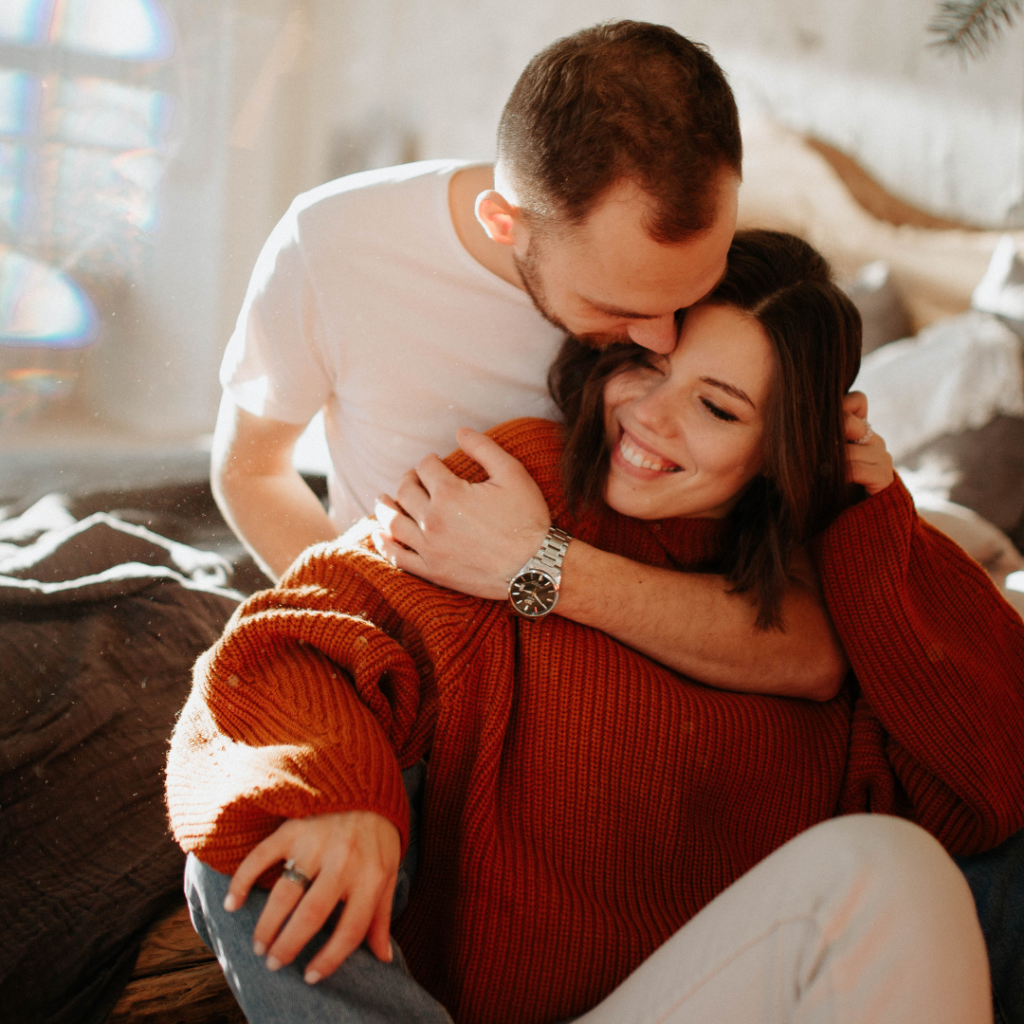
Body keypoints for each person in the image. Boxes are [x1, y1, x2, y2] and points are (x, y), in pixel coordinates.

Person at [168, 231, 1024, 1024]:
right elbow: (290, 640)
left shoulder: (824, 580)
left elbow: (989, 786)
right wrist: (341, 794)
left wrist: (875, 521)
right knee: (253, 847)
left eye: (718, 409)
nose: (651, 417)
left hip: (727, 989)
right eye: (648, 367)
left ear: (784, 449)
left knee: (894, 870)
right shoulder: (521, 481)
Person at [210, 20, 851, 701]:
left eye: (691, 291)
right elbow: (250, 469)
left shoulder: (708, 272)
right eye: (618, 307)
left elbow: (807, 637)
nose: (663, 338)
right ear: (503, 222)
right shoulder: (333, 243)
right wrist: (367, 632)